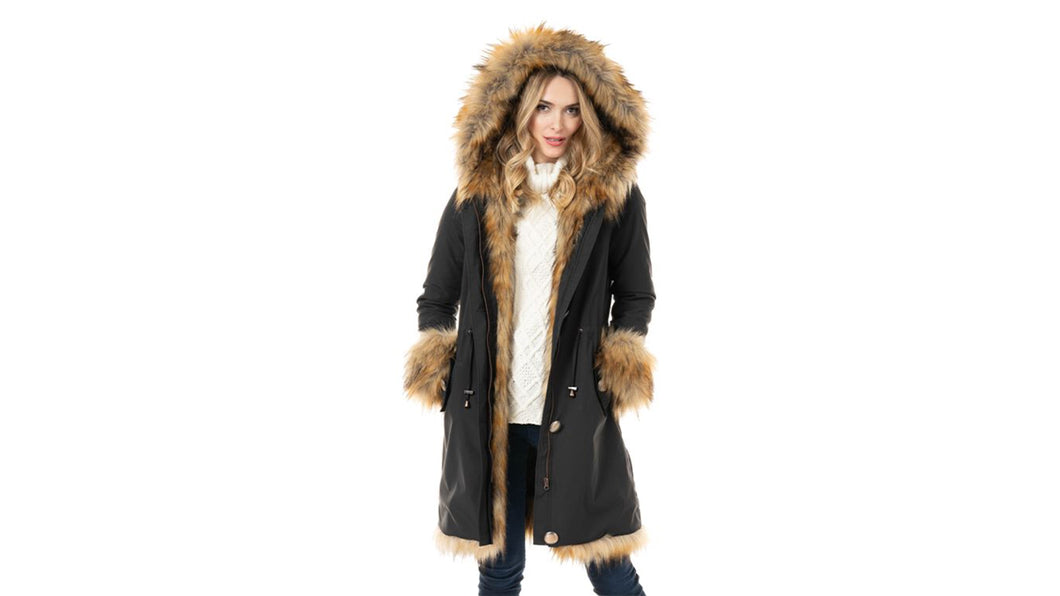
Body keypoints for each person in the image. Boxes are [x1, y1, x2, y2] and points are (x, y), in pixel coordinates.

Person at [403, 23, 656, 595]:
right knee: (499, 568)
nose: (557, 123)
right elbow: (437, 296)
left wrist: (613, 365)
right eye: (544, 107)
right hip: (490, 412)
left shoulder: (613, 197)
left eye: (571, 110)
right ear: (520, 110)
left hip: (575, 405)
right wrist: (447, 369)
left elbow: (636, 293)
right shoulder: (477, 194)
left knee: (610, 565)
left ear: (589, 116)